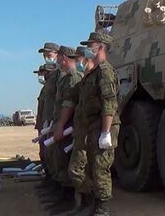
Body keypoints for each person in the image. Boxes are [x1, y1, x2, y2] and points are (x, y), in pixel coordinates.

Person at [69, 32, 120, 216]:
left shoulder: (105, 71)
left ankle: (102, 209)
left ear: (101, 47)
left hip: (104, 125)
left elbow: (109, 104)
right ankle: (92, 204)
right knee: (91, 168)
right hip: (92, 126)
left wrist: (106, 132)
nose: (89, 48)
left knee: (100, 168)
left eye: (92, 45)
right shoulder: (93, 73)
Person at [47, 46, 83, 213]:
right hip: (62, 124)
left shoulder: (73, 77)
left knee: (67, 162)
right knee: (60, 160)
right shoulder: (65, 78)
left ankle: (69, 201)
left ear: (63, 57)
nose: (57, 60)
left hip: (68, 126)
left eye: (59, 57)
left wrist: (60, 125)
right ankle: (63, 198)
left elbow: (69, 104)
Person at [66, 46, 95, 215]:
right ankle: (86, 203)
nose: (77, 63)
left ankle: (93, 201)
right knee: (80, 170)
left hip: (89, 131)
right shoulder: (84, 80)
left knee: (76, 170)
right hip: (80, 130)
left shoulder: (94, 78)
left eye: (78, 60)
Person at [36, 42, 61, 197]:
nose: (46, 57)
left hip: (54, 121)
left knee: (56, 157)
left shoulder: (60, 75)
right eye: (44, 54)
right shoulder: (50, 80)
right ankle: (51, 184)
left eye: (49, 54)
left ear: (58, 54)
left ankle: (61, 193)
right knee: (47, 155)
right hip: (46, 122)